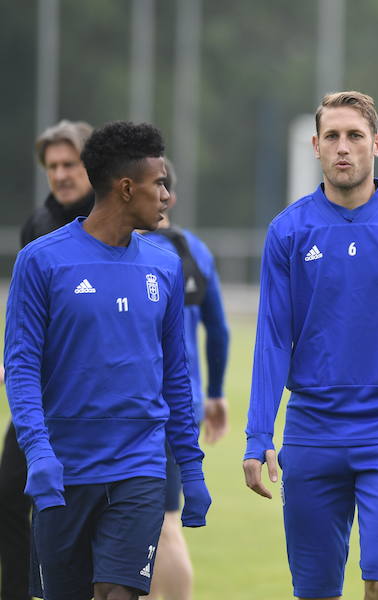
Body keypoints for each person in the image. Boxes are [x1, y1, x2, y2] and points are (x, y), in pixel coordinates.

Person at [242, 91, 378, 600]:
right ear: (316, 146)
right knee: (316, 591)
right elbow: (273, 339)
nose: (344, 147)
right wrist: (258, 434)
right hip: (313, 429)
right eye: (333, 137)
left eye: (356, 136)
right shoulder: (288, 231)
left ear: (377, 144)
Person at [3, 121, 211, 600]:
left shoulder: (165, 266)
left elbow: (175, 375)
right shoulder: (41, 261)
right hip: (64, 469)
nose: (166, 194)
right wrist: (38, 453)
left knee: (118, 594)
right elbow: (21, 366)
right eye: (158, 183)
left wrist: (192, 469)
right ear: (125, 188)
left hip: (139, 467)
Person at [0, 119, 94, 600]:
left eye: (69, 163)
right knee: (11, 491)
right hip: (38, 394)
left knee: (80, 511)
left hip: (89, 399)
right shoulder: (36, 226)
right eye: (52, 165)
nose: (60, 174)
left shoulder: (112, 222)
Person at [141, 157, 230, 600]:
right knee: (167, 519)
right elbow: (219, 328)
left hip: (137, 405)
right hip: (184, 402)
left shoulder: (123, 249)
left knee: (150, 521)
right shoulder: (195, 249)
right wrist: (214, 394)